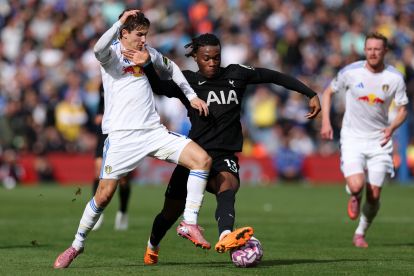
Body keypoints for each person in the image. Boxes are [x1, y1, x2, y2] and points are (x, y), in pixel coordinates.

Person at [121, 33, 321, 265]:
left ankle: (226, 235)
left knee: (228, 185)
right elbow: (158, 86)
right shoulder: (187, 82)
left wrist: (310, 93)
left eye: (216, 57)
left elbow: (273, 76)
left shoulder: (237, 74)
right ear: (195, 56)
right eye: (207, 58)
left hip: (224, 155)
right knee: (169, 213)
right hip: (193, 156)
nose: (212, 62)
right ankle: (152, 246)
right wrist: (146, 64)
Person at [53, 10, 212, 269]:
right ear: (124, 33)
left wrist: (192, 96)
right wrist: (118, 22)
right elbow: (97, 47)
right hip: (121, 137)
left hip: (153, 132)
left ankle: (189, 222)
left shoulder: (148, 53)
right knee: (103, 196)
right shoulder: (111, 54)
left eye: (146, 35)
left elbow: (172, 68)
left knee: (202, 159)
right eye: (139, 34)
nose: (143, 40)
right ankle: (77, 245)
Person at [320, 32, 408, 248]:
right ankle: (354, 194)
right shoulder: (351, 72)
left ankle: (360, 233)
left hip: (380, 139)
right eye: (369, 48)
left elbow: (403, 109)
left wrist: (392, 127)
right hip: (353, 138)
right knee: (357, 184)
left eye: (377, 49)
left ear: (385, 51)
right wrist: (325, 123)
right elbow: (327, 93)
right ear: (365, 50)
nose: (373, 53)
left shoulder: (394, 78)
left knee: (375, 195)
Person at [91, 84, 131, 231]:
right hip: (106, 130)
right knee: (97, 171)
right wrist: (99, 114)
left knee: (123, 178)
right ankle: (97, 213)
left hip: (123, 130)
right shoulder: (103, 83)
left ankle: (122, 211)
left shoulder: (127, 80)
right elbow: (102, 102)